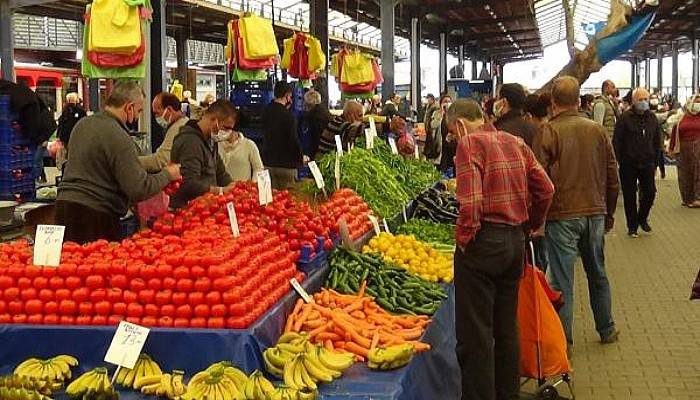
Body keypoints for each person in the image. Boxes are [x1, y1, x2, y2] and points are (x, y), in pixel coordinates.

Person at [450, 98, 554, 400]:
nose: (455, 139)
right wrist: (531, 225)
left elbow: (470, 204)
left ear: (459, 125)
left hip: (484, 245)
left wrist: (465, 239)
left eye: (453, 133)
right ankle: (508, 393)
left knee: (476, 335)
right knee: (506, 327)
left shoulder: (469, 145)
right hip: (514, 243)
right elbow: (546, 188)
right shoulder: (516, 142)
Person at [534, 76, 620, 349]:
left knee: (561, 280)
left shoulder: (548, 131)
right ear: (578, 98)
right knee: (598, 271)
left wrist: (537, 219)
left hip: (562, 215)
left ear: (552, 102)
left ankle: (563, 341)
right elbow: (612, 174)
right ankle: (606, 328)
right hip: (594, 211)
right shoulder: (597, 130)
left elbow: (538, 179)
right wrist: (609, 212)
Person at [56, 80, 181, 243]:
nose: (137, 116)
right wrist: (167, 175)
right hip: (95, 215)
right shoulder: (118, 135)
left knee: (69, 265)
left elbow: (98, 170)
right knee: (96, 266)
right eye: (138, 110)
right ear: (129, 107)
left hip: (63, 207)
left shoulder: (83, 124)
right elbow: (138, 188)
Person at [613, 87, 662, 237]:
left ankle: (642, 218)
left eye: (646, 99)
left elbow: (657, 141)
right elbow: (617, 141)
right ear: (633, 101)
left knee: (650, 193)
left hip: (647, 162)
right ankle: (632, 227)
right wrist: (620, 160)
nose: (644, 102)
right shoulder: (624, 118)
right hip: (628, 164)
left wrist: (656, 162)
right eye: (640, 99)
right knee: (629, 196)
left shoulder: (653, 118)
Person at [169, 100, 234, 208]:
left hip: (205, 207)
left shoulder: (211, 140)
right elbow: (188, 183)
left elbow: (220, 172)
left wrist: (234, 187)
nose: (228, 133)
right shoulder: (190, 142)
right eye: (226, 128)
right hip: (187, 210)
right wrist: (219, 190)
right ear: (214, 120)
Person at [261, 81, 303, 190]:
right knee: (288, 202)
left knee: (272, 201)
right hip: (286, 166)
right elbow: (293, 139)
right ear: (287, 95)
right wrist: (300, 158)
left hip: (268, 163)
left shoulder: (266, 111)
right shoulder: (288, 115)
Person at [139, 92, 189, 173]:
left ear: (169, 109)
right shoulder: (181, 124)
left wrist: (133, 161)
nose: (156, 117)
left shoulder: (178, 128)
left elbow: (161, 161)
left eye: (157, 113)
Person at [669, 93, 700, 207]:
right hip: (683, 148)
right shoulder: (682, 117)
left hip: (698, 147)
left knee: (698, 172)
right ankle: (687, 198)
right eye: (697, 101)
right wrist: (671, 148)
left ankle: (698, 198)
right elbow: (674, 132)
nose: (698, 104)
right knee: (684, 173)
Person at [494, 83, 537, 147]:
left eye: (497, 98)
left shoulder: (498, 130)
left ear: (504, 101)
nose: (495, 102)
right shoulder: (532, 129)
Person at [55, 92, 86, 170]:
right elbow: (61, 123)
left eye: (72, 99)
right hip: (66, 138)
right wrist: (59, 136)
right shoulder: (66, 111)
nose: (71, 101)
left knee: (74, 154)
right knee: (67, 155)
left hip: (76, 137)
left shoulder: (80, 111)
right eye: (69, 99)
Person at [302, 89, 332, 158]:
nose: (304, 104)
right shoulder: (325, 112)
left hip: (319, 152)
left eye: (305, 102)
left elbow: (314, 139)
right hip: (328, 150)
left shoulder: (314, 117)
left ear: (309, 104)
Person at [430, 94, 455, 173]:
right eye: (445, 102)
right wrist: (441, 113)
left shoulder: (454, 114)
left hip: (453, 146)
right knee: (442, 168)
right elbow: (433, 125)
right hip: (441, 146)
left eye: (449, 101)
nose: (447, 103)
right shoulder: (436, 113)